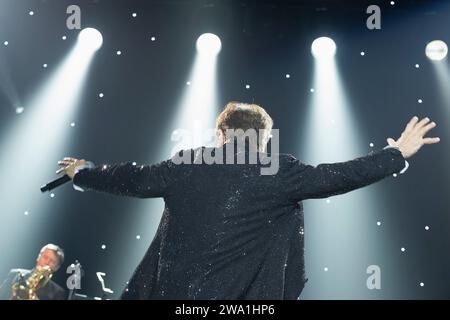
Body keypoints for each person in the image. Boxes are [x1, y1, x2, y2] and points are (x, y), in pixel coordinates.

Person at [58, 102, 440, 299]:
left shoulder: (187, 164)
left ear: (221, 133)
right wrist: (396, 155)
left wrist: (84, 172)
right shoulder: (278, 170)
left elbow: (131, 178)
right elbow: (337, 176)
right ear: (264, 137)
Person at [0, 243, 67, 300]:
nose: (47, 262)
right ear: (38, 257)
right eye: (45, 257)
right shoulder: (15, 274)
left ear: (56, 268)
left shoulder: (58, 292)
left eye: (52, 261)